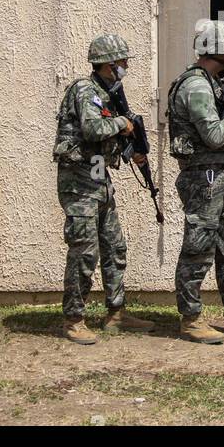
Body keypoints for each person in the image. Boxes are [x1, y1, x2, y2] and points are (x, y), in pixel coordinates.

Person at [52, 34, 157, 345]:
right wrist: (123, 124)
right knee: (84, 252)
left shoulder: (108, 94)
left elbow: (106, 138)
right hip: (79, 183)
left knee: (114, 247)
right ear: (109, 64)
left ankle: (116, 314)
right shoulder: (85, 90)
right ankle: (73, 319)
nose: (126, 66)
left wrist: (132, 149)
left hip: (99, 182)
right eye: (122, 62)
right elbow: (92, 129)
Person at [166, 20, 224, 344]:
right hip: (203, 178)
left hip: (219, 175)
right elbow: (216, 135)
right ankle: (191, 319)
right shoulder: (196, 87)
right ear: (221, 51)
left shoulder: (210, 82)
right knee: (198, 248)